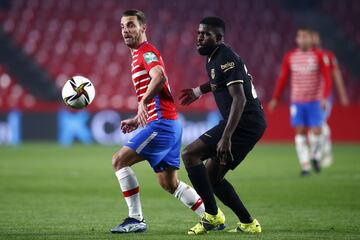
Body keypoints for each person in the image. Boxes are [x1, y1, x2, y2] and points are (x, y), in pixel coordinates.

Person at [111, 9, 205, 234]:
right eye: (123, 26)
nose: (125, 30)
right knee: (169, 184)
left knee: (119, 161)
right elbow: (157, 86)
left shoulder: (147, 51)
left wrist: (142, 101)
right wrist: (137, 119)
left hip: (162, 124)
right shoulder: (137, 55)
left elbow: (159, 75)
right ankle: (212, 216)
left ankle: (136, 219)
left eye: (131, 25)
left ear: (144, 28)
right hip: (169, 123)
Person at [179, 16, 266, 235]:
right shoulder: (213, 57)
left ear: (219, 38)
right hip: (241, 122)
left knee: (190, 154)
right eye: (199, 32)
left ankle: (212, 216)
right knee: (211, 178)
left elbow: (240, 99)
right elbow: (219, 81)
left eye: (205, 34)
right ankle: (248, 223)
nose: (199, 37)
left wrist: (226, 138)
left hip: (244, 122)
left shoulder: (227, 57)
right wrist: (199, 91)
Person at [268, 27, 331, 176]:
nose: (301, 39)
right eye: (299, 36)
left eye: (304, 37)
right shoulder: (290, 57)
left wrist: (324, 97)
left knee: (317, 131)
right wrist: (275, 98)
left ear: (311, 39)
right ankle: (305, 166)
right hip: (297, 101)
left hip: (315, 100)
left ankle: (315, 156)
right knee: (300, 131)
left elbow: (327, 78)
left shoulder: (320, 56)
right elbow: (283, 78)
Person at [311, 30, 349, 167]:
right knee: (314, 126)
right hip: (308, 98)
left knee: (320, 123)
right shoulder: (304, 56)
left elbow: (336, 75)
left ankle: (325, 153)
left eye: (314, 36)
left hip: (323, 96)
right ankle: (317, 154)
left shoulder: (328, 56)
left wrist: (342, 94)